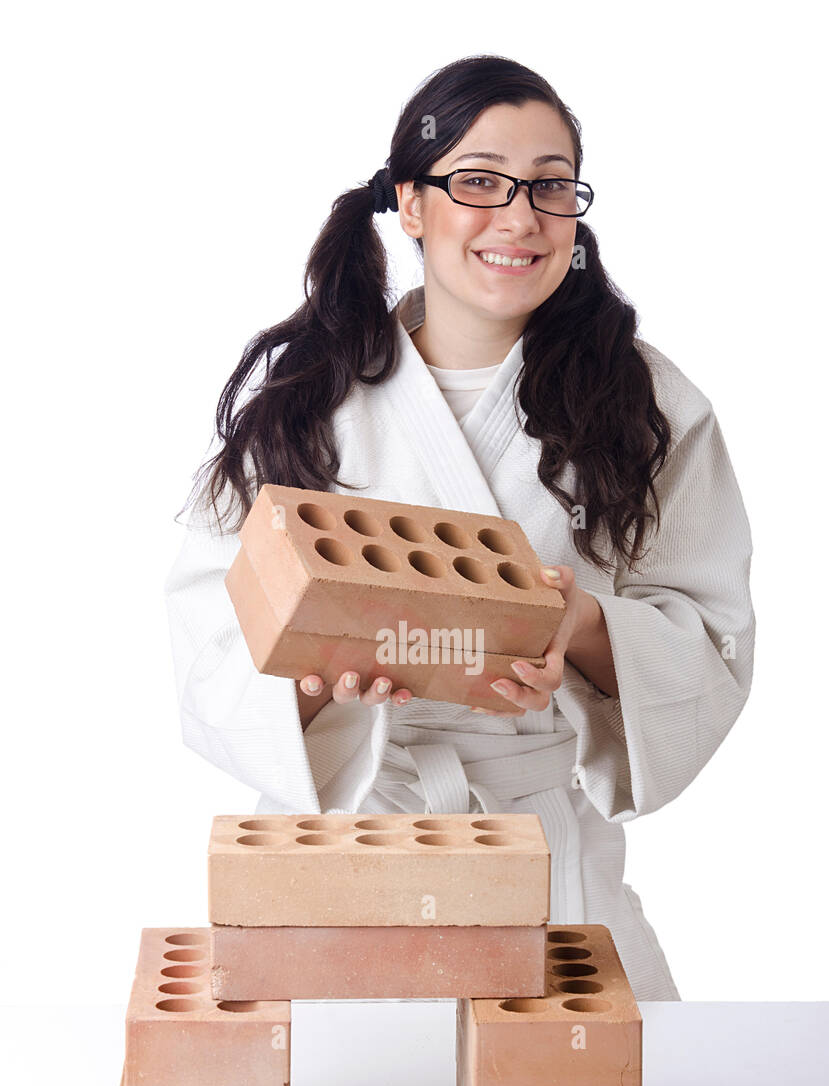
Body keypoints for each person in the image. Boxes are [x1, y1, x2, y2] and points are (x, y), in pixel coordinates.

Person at [164, 54, 755, 1000]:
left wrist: (581, 628)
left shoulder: (646, 403)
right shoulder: (304, 400)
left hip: (540, 853)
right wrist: (316, 686)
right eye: (478, 182)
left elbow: (711, 633)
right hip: (346, 847)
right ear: (410, 202)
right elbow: (207, 644)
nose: (518, 218)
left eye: (550, 188)